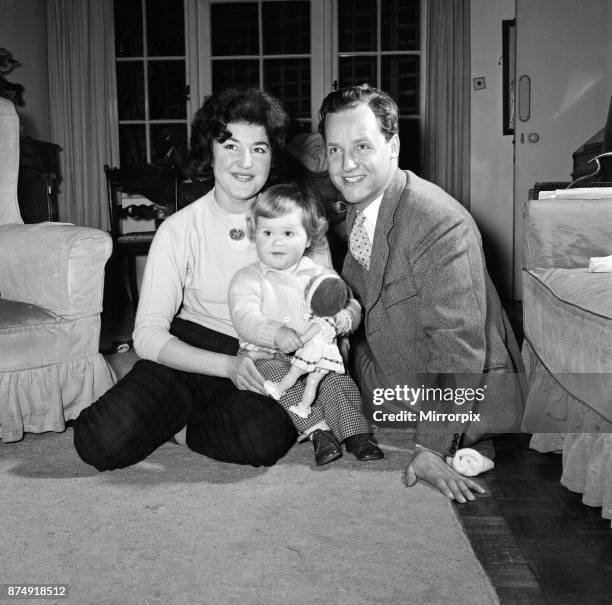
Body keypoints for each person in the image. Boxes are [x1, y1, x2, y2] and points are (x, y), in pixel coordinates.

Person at [73, 88, 306, 470]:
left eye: (259, 148)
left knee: (261, 439)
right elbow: (146, 335)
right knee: (99, 440)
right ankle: (180, 410)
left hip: (263, 358)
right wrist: (225, 366)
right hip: (191, 348)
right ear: (209, 151)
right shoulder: (179, 229)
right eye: (230, 145)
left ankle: (181, 426)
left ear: (272, 157)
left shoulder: (297, 225)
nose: (245, 161)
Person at [317, 84, 526, 502]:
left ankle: (459, 442)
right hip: (394, 369)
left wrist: (430, 446)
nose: (346, 164)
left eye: (361, 146)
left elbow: (461, 347)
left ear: (392, 146)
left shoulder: (437, 221)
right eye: (335, 150)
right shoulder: (361, 208)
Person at [228, 183, 383, 465]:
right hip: (267, 354)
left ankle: (356, 433)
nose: (277, 242)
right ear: (254, 234)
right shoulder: (248, 278)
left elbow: (349, 304)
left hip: (314, 350)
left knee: (336, 382)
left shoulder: (318, 274)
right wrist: (274, 333)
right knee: (278, 382)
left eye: (288, 233)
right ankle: (318, 432)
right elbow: (245, 318)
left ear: (309, 238)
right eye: (267, 233)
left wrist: (340, 320)